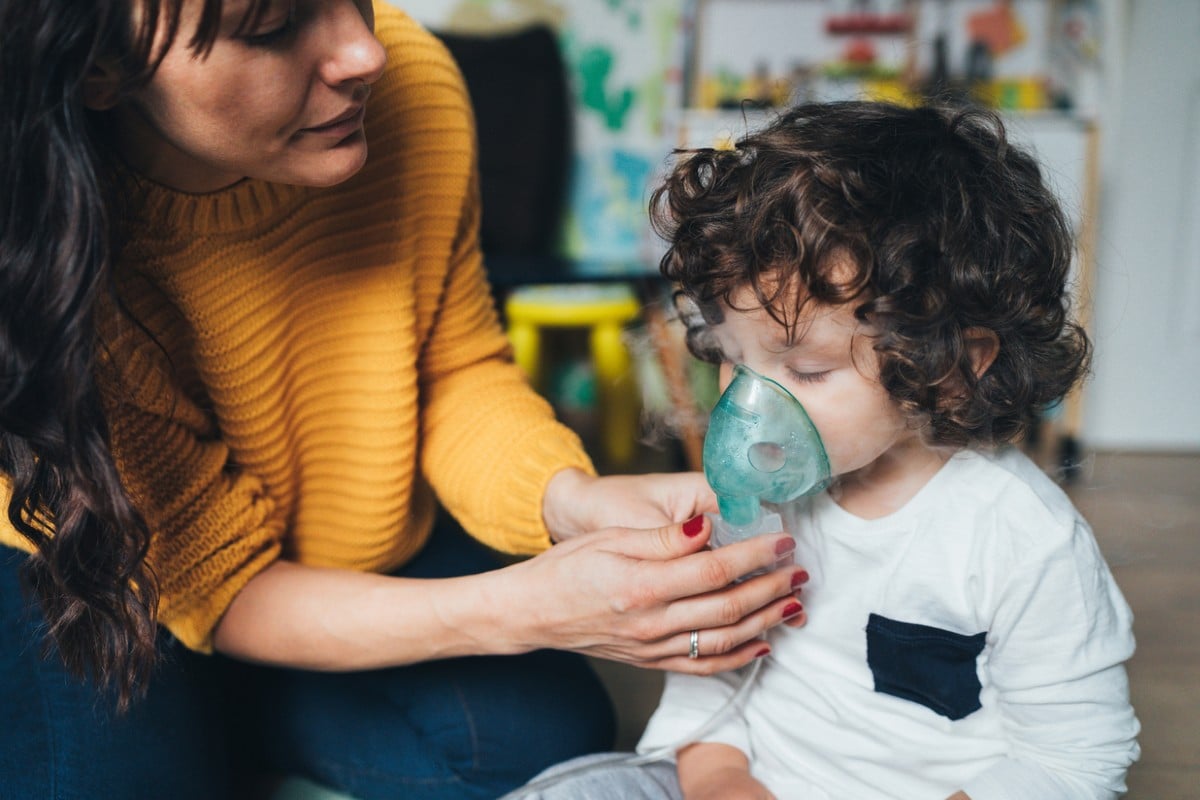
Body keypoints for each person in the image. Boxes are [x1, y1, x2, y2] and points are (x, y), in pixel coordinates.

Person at [0, 2, 810, 798]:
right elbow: (223, 582)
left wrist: (572, 501)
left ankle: (245, 699)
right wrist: (523, 609)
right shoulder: (40, 241)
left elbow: (452, 371)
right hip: (101, 567)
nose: (365, 51)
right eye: (271, 28)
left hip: (335, 531)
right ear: (100, 68)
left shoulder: (412, 84)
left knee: (545, 742)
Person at [517, 101, 1140, 799]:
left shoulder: (1025, 542)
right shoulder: (752, 500)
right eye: (730, 357)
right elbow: (711, 682)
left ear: (951, 367)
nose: (749, 404)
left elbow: (1073, 761)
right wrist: (721, 779)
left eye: (807, 371)